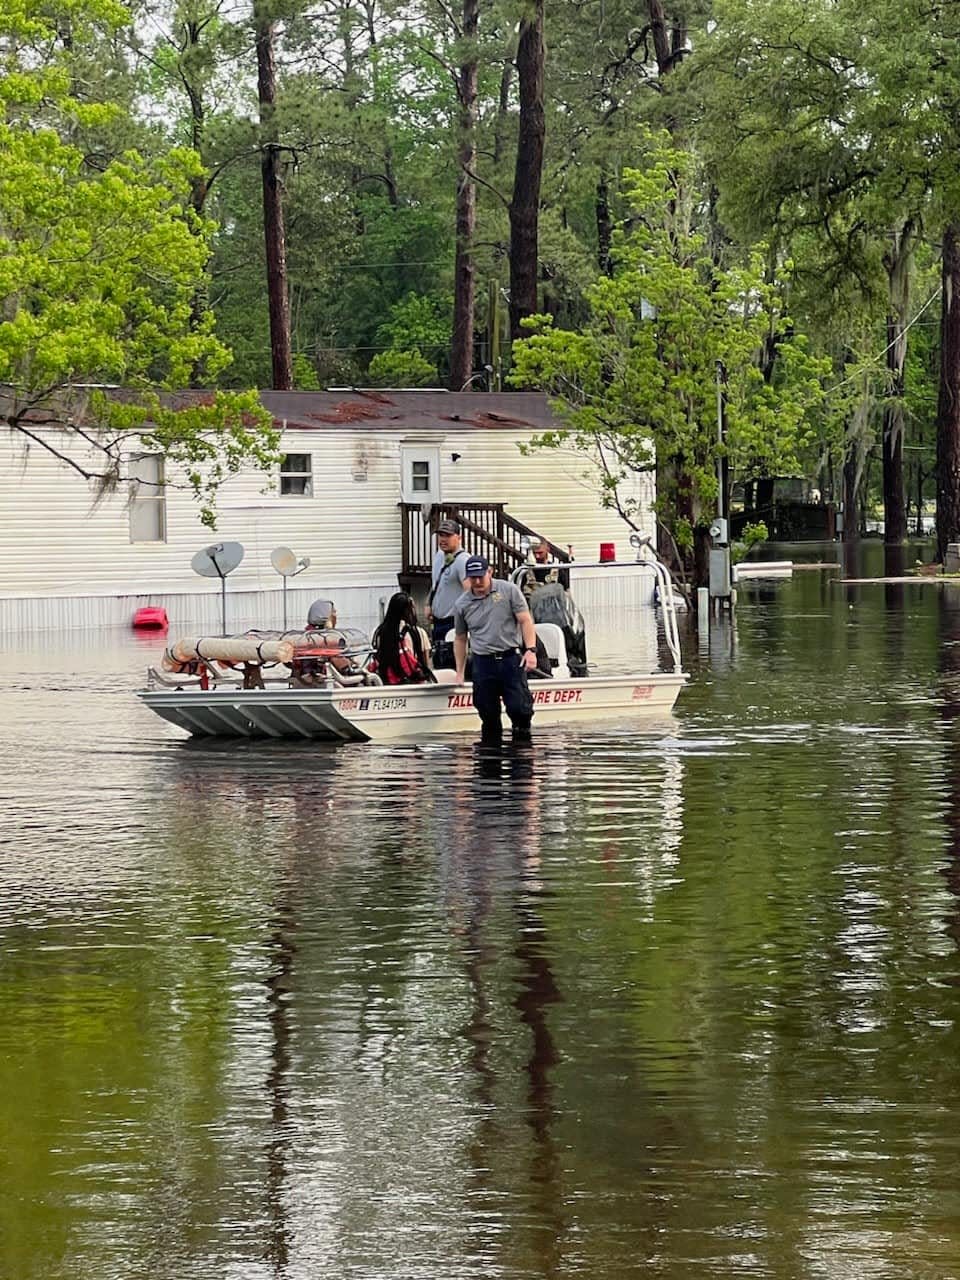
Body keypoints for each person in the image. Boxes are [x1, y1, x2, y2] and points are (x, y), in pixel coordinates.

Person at [453, 554, 537, 744]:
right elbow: (460, 638)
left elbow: (525, 620)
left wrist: (530, 650)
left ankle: (522, 756)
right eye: (472, 577)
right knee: (487, 712)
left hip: (509, 658)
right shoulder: (462, 604)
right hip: (483, 662)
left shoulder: (509, 591)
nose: (477, 581)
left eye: (480, 576)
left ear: (489, 572)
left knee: (519, 709)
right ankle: (490, 761)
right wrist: (459, 671)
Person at [427, 518, 470, 668]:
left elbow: (470, 593)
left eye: (447, 535)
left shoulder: (463, 561)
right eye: (441, 535)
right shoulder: (439, 556)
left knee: (452, 664)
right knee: (438, 662)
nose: (443, 539)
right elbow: (435, 584)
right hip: (437, 621)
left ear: (459, 538)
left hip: (453, 623)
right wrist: (428, 603)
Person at [370, 592, 436, 685]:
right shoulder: (419, 633)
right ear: (410, 610)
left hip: (387, 683)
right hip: (414, 683)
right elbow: (426, 663)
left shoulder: (379, 633)